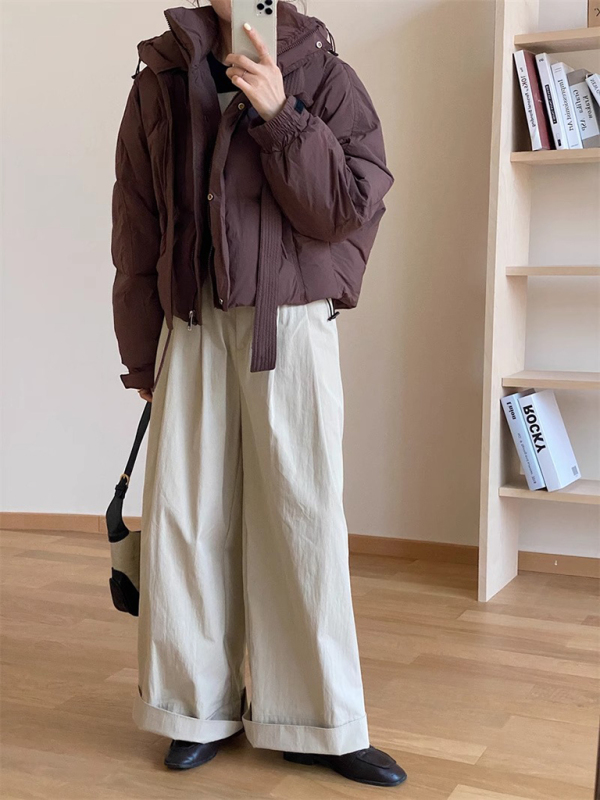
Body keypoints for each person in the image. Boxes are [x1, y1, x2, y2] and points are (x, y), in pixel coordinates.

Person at [110, 0, 404, 788]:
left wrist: (282, 116)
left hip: (292, 322)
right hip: (192, 323)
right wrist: (141, 352)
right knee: (185, 517)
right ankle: (194, 708)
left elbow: (345, 210)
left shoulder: (327, 76)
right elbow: (137, 225)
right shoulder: (160, 80)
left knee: (303, 515)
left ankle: (319, 720)